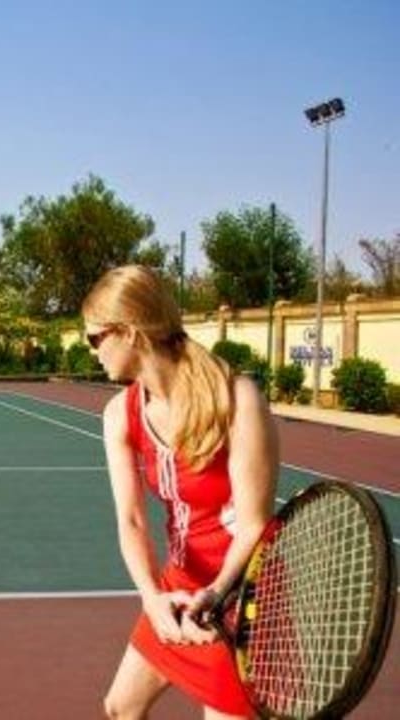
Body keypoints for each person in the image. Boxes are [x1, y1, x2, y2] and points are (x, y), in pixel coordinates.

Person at [82, 265, 278, 719]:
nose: (91, 351)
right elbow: (131, 521)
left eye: (95, 338)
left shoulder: (238, 398)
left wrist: (215, 593)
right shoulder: (120, 414)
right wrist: (153, 598)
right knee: (121, 708)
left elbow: (254, 524)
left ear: (129, 333)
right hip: (181, 583)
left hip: (243, 589)